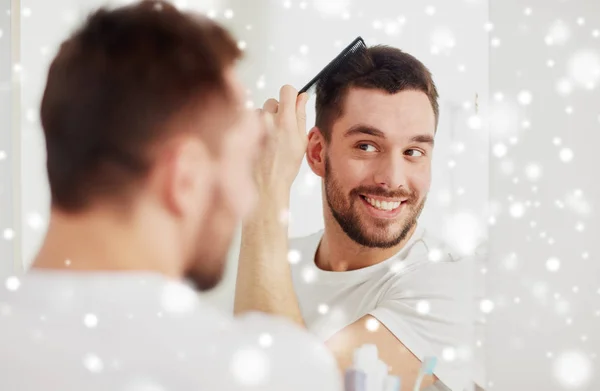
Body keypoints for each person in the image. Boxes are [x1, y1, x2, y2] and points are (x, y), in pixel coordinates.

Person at [0, 2, 342, 391]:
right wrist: (271, 194)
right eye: (244, 162)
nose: (244, 197)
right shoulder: (268, 372)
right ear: (186, 178)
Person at [235, 45, 475, 391]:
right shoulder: (265, 259)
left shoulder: (452, 289)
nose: (392, 179)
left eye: (413, 152)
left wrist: (264, 193)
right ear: (317, 153)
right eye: (366, 146)